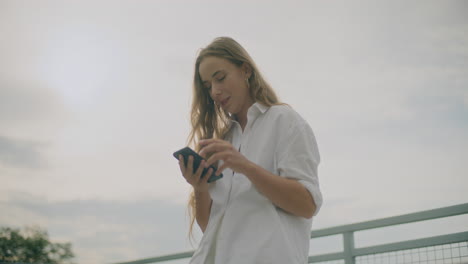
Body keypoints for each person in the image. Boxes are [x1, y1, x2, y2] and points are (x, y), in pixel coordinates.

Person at [177, 36, 323, 264]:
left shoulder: (285, 121)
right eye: (208, 87)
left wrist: (245, 166)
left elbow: (306, 205)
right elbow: (211, 227)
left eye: (220, 78)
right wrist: (200, 188)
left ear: (245, 70)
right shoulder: (224, 141)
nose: (215, 91)